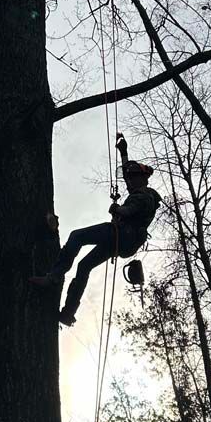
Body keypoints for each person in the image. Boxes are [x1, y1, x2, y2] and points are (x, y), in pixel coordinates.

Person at [31, 134, 161, 325]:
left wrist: (118, 209)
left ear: (143, 179)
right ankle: (68, 313)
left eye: (133, 177)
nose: (129, 181)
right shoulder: (139, 190)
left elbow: (130, 210)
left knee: (76, 236)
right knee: (84, 266)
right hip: (121, 241)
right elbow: (126, 174)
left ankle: (54, 276)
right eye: (130, 178)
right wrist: (123, 153)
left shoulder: (146, 196)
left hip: (121, 234)